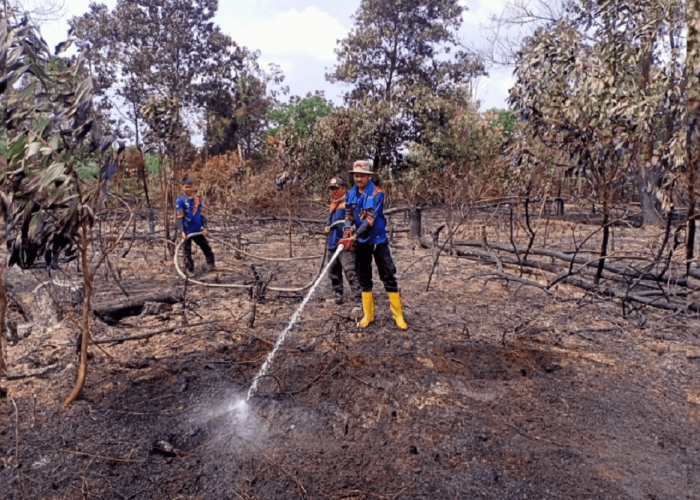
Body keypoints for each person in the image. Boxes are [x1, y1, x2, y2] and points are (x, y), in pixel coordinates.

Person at [338, 161, 408, 330]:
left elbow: (370, 219)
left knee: (388, 274)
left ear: (369, 176)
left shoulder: (377, 194)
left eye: (362, 175)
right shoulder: (351, 194)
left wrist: (354, 235)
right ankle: (368, 314)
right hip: (361, 242)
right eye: (356, 175)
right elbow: (348, 214)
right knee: (363, 276)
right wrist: (348, 229)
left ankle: (398, 315)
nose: (358, 178)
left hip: (378, 240)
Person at [324, 176, 362, 306]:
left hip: (345, 244)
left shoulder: (349, 203)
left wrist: (351, 235)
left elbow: (357, 222)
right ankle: (338, 296)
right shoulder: (333, 204)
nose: (334, 191)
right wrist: (327, 227)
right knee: (333, 272)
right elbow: (330, 222)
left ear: (343, 188)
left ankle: (359, 301)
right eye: (332, 189)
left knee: (350, 272)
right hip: (332, 243)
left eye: (336, 188)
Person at [176, 177, 215, 273]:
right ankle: (190, 270)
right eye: (186, 187)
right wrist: (182, 231)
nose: (188, 189)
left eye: (190, 187)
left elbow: (202, 215)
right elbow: (180, 216)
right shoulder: (180, 200)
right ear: (182, 187)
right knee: (186, 252)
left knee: (206, 248)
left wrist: (205, 227)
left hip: (198, 230)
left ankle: (211, 265)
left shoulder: (197, 199)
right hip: (187, 231)